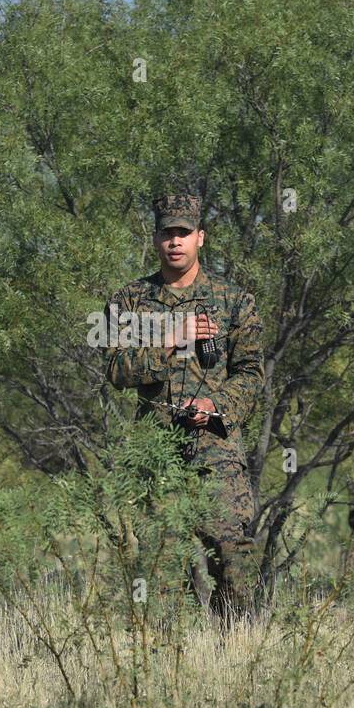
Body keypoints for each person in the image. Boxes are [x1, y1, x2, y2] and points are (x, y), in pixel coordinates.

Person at [104, 194, 265, 623]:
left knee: (232, 552)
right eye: (167, 233)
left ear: (200, 237)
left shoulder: (233, 301)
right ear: (155, 238)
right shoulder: (132, 300)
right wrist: (171, 337)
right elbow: (117, 369)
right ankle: (170, 655)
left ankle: (236, 653)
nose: (175, 241)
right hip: (156, 444)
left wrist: (217, 405)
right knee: (161, 554)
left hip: (215, 443)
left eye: (183, 233)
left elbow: (251, 373)